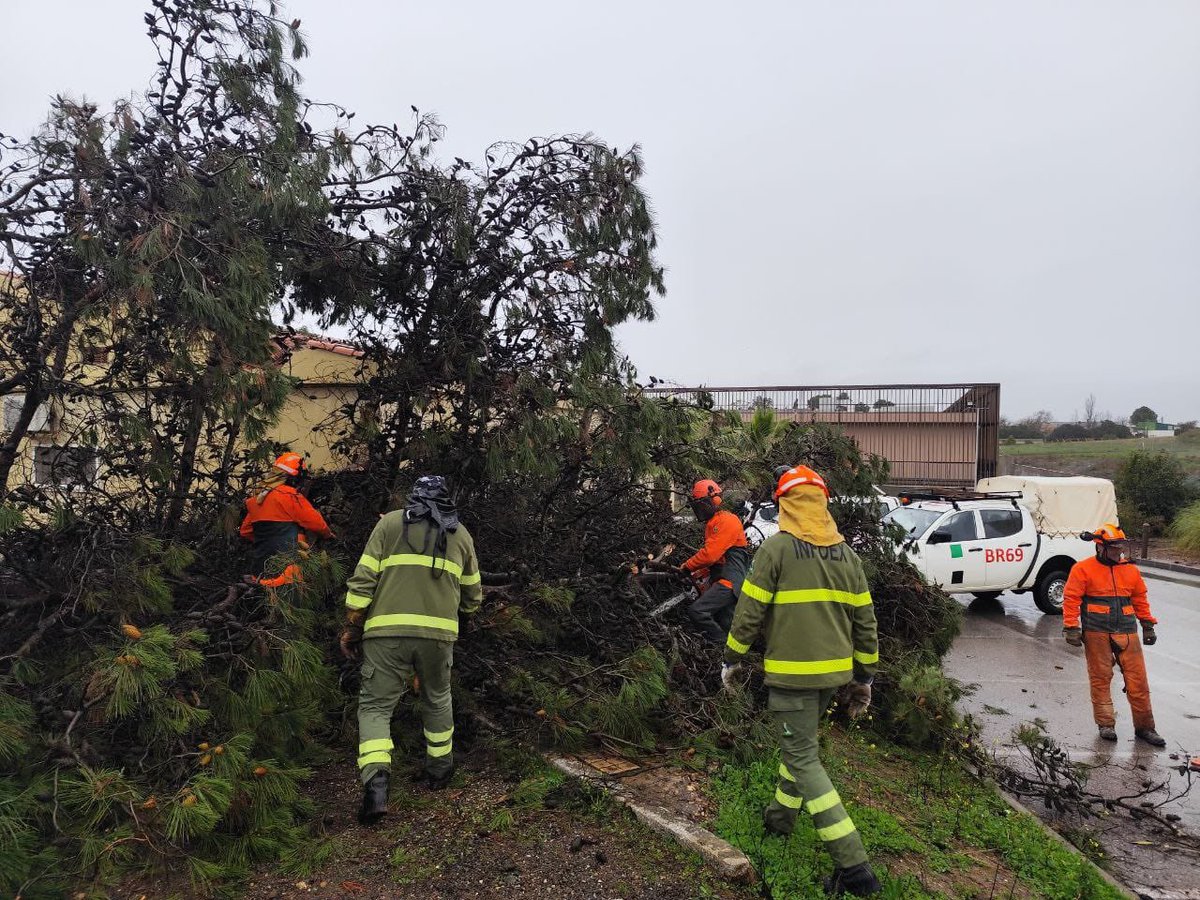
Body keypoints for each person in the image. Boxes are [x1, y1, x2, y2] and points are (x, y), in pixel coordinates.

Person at [723, 465, 882, 897]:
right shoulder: (847, 555)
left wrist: (732, 658)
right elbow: (866, 622)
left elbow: (750, 611)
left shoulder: (775, 550)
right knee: (801, 747)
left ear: (784, 505)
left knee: (803, 758)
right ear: (822, 504)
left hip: (792, 678)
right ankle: (779, 819)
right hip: (833, 675)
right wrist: (864, 676)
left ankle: (853, 865)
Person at [340, 476, 483, 825]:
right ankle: (440, 772)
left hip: (386, 635)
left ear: (412, 498)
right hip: (438, 638)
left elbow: (363, 582)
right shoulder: (461, 534)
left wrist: (351, 627)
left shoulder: (389, 524)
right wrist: (456, 616)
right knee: (437, 698)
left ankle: (376, 787)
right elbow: (473, 598)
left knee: (375, 707)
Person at [1062, 524, 1164, 746]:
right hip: (1096, 632)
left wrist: (1147, 624)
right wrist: (1071, 627)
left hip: (1127, 632)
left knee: (1138, 682)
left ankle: (1146, 727)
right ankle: (1106, 724)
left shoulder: (1130, 570)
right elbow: (1071, 598)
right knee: (1100, 679)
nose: (1119, 552)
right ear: (1100, 547)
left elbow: (1140, 599)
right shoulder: (1083, 569)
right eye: (1114, 548)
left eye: (1120, 548)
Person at [239, 452, 333, 587]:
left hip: (260, 573)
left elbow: (245, 531)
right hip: (288, 574)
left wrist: (268, 538)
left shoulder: (257, 500)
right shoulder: (290, 496)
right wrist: (328, 534)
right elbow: (317, 524)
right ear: (294, 478)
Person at [679, 479, 750, 644]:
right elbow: (716, 559)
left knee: (698, 611)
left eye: (701, 504)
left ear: (714, 499)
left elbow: (710, 554)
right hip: (722, 580)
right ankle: (727, 656)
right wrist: (698, 573)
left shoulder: (727, 520)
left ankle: (721, 649)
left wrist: (687, 567)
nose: (700, 509)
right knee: (727, 624)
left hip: (730, 581)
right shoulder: (713, 524)